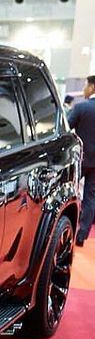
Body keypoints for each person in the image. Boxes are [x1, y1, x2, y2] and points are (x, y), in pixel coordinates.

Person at [68, 76, 95, 246]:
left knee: (71, 192)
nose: (84, 89)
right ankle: (82, 236)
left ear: (92, 87)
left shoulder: (81, 107)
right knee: (91, 197)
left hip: (81, 159)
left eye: (86, 86)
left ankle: (68, 229)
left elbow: (67, 126)